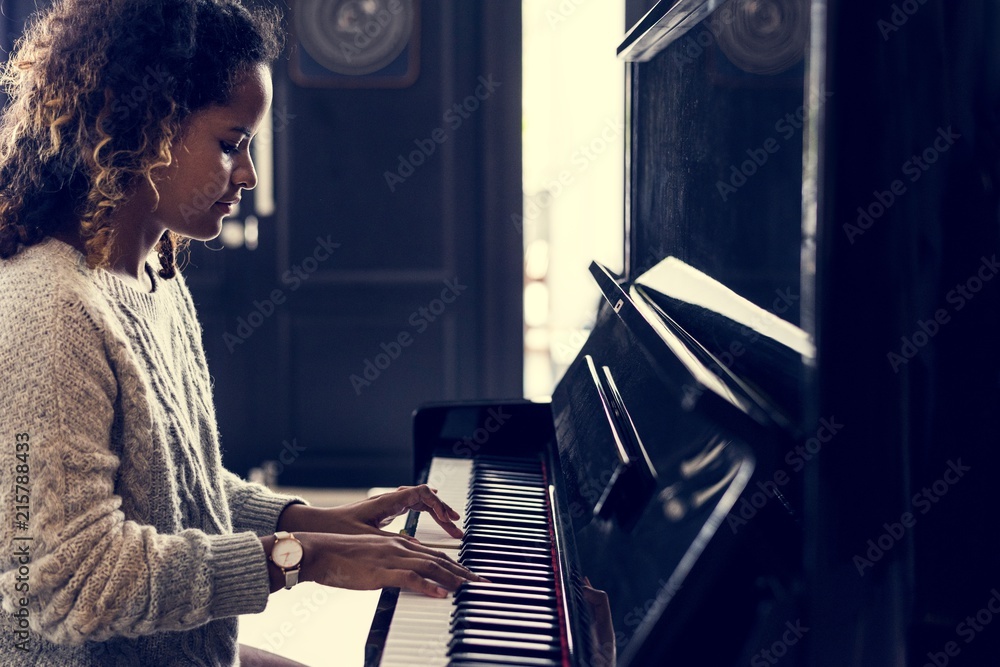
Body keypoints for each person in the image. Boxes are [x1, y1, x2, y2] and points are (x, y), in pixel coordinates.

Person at [0, 1, 480, 664]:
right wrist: (299, 557)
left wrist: (304, 519)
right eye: (231, 144)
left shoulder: (155, 277)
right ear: (143, 124)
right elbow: (63, 581)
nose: (248, 174)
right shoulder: (49, 311)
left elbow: (174, 487)